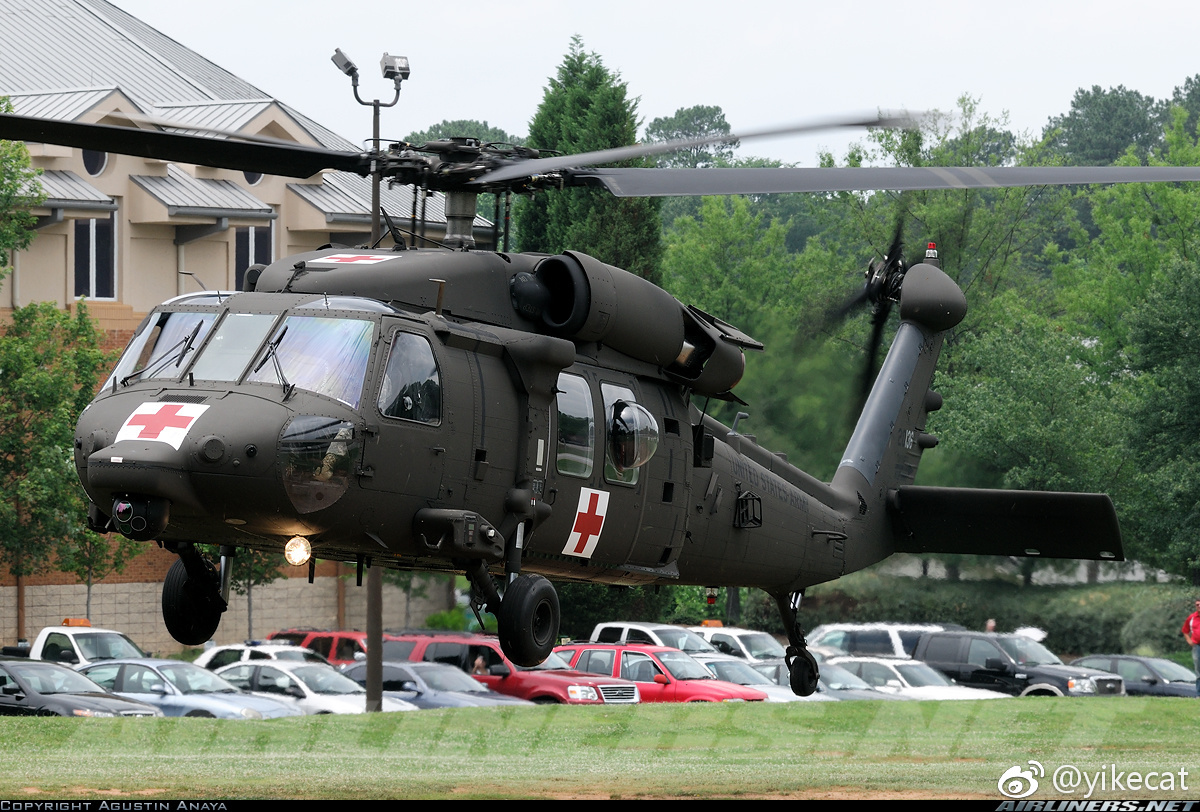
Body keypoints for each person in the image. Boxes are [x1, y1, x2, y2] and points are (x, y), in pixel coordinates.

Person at [1182, 599, 1200, 694]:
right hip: (1197, 646)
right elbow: (1185, 630)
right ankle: (1198, 693)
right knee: (1198, 670)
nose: (1199, 606)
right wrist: (1189, 640)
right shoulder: (1192, 618)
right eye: (1197, 605)